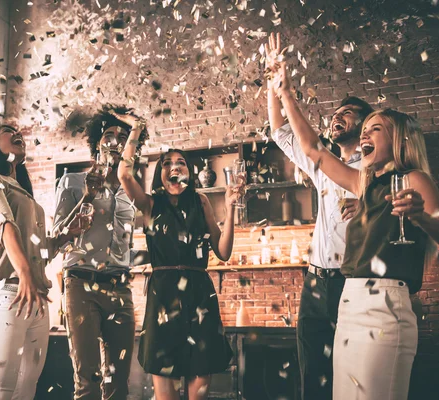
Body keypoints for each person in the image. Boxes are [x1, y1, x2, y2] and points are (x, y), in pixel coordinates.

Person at [267, 49, 439, 399]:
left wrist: (421, 215)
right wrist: (284, 91)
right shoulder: (364, 184)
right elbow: (314, 150)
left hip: (385, 305)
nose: (365, 135)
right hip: (350, 301)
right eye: (364, 130)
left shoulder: (414, 178)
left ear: (399, 140)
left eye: (375, 129)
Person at [264, 33, 373, 399]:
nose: (337, 117)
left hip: (353, 282)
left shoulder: (375, 172)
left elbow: (309, 146)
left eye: (348, 114)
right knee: (313, 372)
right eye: (336, 113)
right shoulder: (324, 165)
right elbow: (280, 131)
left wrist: (286, 92)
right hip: (314, 283)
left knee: (351, 373)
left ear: (367, 126)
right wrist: (271, 84)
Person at [117, 111, 243, 399]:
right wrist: (136, 130)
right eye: (167, 164)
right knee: (165, 389)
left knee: (199, 390)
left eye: (181, 163)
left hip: (200, 294)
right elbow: (124, 173)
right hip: (163, 296)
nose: (174, 167)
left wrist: (231, 206)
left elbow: (223, 253)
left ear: (190, 172)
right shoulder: (149, 204)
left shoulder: (201, 202)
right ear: (160, 174)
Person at [0, 124, 89, 400]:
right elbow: (3, 224)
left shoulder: (21, 189)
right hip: (5, 296)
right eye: (7, 130)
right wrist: (24, 274)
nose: (16, 132)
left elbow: (40, 251)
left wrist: (69, 234)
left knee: (25, 392)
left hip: (36, 298)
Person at [53, 105, 148, 400]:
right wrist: (86, 198)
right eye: (109, 134)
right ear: (97, 143)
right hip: (81, 285)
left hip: (120, 287)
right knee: (88, 379)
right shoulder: (71, 182)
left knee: (119, 382)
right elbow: (57, 240)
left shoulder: (130, 191)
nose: (116, 141)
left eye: (123, 136)